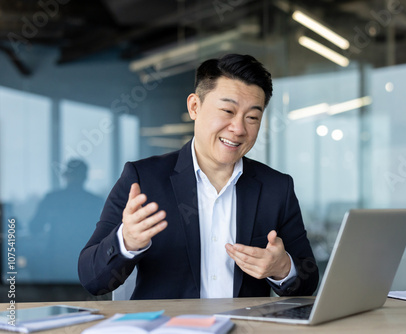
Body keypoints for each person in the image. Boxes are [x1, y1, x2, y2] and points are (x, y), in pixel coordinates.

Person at [78, 54, 319, 299]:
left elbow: (308, 281)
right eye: (227, 110)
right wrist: (126, 242)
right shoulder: (143, 179)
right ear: (195, 107)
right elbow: (92, 279)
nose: (238, 129)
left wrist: (282, 269)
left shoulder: (276, 187)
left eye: (252, 117)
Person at [30, 159, 103, 282]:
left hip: (56, 260)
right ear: (85, 177)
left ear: (66, 176)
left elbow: (35, 227)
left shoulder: (52, 199)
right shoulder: (95, 201)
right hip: (87, 260)